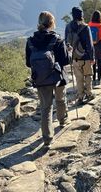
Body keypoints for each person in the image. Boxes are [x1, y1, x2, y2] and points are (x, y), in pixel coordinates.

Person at [25, 11, 70, 148]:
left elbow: (28, 63)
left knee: (46, 108)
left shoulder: (30, 41)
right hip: (57, 77)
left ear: (39, 23)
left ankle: (47, 139)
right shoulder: (57, 39)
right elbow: (65, 61)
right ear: (51, 23)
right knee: (61, 99)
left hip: (40, 79)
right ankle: (62, 120)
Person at [65, 7, 95, 105]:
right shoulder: (85, 27)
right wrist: (92, 57)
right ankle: (89, 94)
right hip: (85, 57)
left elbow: (66, 42)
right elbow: (90, 44)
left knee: (78, 78)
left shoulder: (68, 27)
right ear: (81, 16)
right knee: (88, 76)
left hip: (75, 57)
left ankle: (80, 96)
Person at [88, 10, 101, 85]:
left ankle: (93, 80)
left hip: (91, 47)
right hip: (99, 47)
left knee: (93, 63)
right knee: (100, 64)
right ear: (100, 17)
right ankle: (98, 80)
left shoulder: (89, 25)